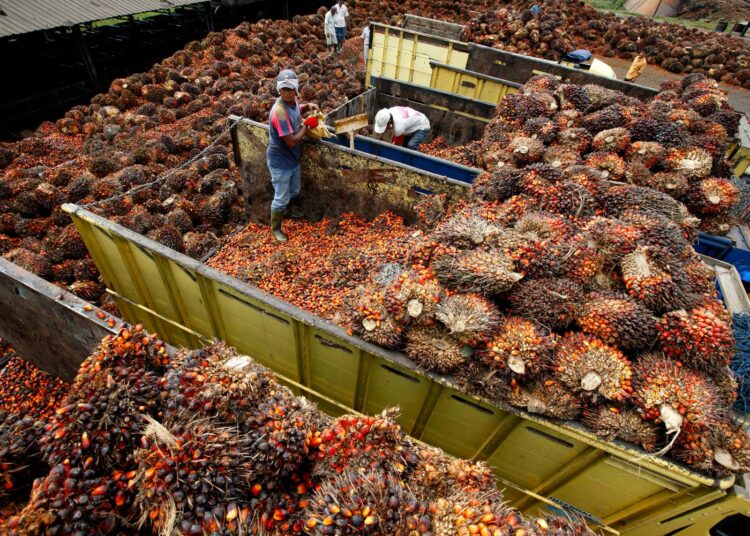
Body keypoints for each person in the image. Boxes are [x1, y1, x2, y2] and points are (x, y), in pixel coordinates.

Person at [266, 69, 320, 243]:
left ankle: (289, 211)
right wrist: (307, 126)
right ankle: (275, 229)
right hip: (280, 161)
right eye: (284, 89)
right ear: (279, 90)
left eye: (290, 89)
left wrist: (308, 106)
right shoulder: (279, 112)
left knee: (294, 190)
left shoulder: (293, 101)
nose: (287, 92)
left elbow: (297, 109)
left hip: (293, 159)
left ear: (296, 89)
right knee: (281, 197)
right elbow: (291, 141)